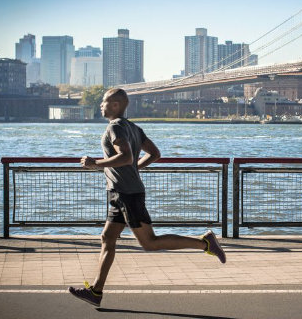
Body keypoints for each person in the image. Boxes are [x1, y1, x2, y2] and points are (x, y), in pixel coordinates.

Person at [69, 88, 226, 306]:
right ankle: (96, 292)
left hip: (127, 194)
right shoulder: (133, 127)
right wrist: (134, 167)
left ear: (115, 104)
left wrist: (94, 163)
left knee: (149, 243)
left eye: (103, 102)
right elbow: (155, 154)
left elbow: (125, 157)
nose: (100, 106)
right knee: (107, 239)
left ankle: (204, 243)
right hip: (121, 193)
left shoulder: (115, 127)